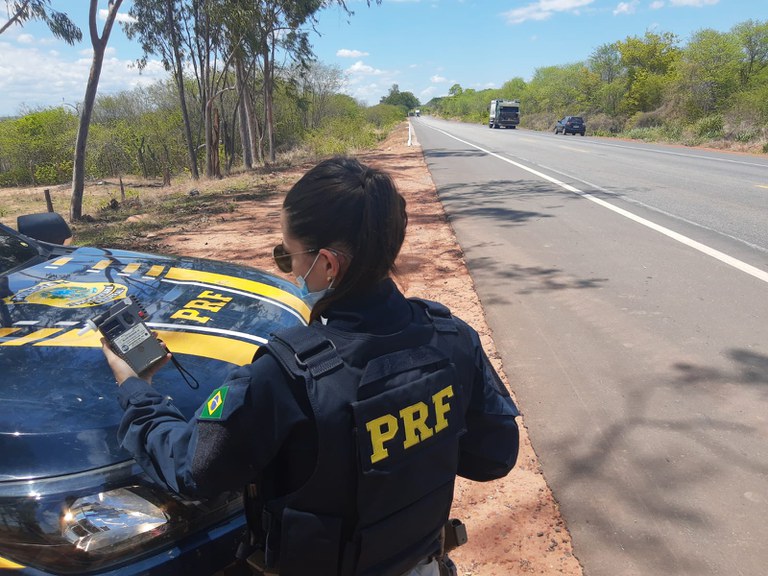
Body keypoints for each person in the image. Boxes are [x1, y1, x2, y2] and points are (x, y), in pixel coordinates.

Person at [102, 156, 520, 576]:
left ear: (327, 264)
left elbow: (192, 470)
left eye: (287, 255)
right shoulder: (452, 338)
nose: (287, 266)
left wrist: (135, 387)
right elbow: (493, 457)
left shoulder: (287, 374)